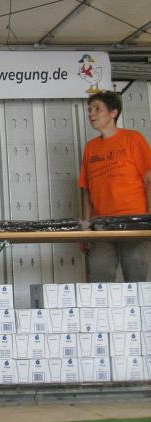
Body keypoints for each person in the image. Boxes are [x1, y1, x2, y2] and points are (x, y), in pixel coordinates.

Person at [80, 90, 151, 282]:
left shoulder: (133, 139)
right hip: (101, 225)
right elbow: (86, 190)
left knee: (136, 280)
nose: (91, 114)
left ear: (113, 112)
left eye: (97, 109)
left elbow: (149, 179)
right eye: (89, 110)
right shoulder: (90, 147)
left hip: (135, 223)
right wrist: (85, 226)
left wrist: (149, 219)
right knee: (99, 280)